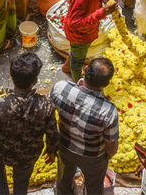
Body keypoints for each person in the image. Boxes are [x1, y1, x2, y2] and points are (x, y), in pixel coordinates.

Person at [0, 52, 59, 195]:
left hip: (0, 153)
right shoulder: (46, 104)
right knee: (22, 183)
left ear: (10, 73)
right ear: (35, 80)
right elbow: (53, 134)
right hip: (28, 157)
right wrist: (51, 151)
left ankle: (2, 192)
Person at [50, 58, 119, 195]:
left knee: (64, 177)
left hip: (64, 146)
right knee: (94, 184)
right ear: (106, 84)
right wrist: (106, 157)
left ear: (84, 71)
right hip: (93, 156)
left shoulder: (61, 88)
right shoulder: (108, 111)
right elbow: (111, 145)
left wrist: (51, 145)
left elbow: (47, 114)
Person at [62, 0, 123, 81]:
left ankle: (66, 66)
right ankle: (78, 83)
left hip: (87, 30)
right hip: (80, 34)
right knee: (78, 62)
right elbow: (75, 23)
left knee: (76, 53)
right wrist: (101, 13)